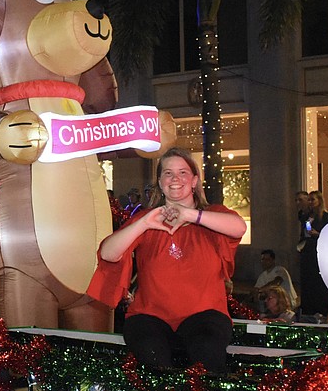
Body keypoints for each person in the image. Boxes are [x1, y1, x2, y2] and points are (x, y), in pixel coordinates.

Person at [89, 147, 246, 372]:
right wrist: (143, 224)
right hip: (150, 316)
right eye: (168, 173)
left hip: (205, 316)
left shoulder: (213, 216)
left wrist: (190, 214)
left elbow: (239, 227)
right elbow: (108, 253)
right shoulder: (147, 218)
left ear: (194, 181)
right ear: (161, 183)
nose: (175, 179)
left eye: (183, 173)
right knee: (151, 357)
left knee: (207, 352)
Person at [299, 190, 328, 316]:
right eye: (309, 200)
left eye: (313, 200)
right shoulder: (307, 216)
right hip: (308, 251)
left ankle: (321, 309)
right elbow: (305, 231)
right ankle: (308, 309)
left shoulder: (326, 217)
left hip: (319, 251)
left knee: (318, 281)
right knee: (308, 280)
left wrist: (318, 234)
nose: (311, 202)